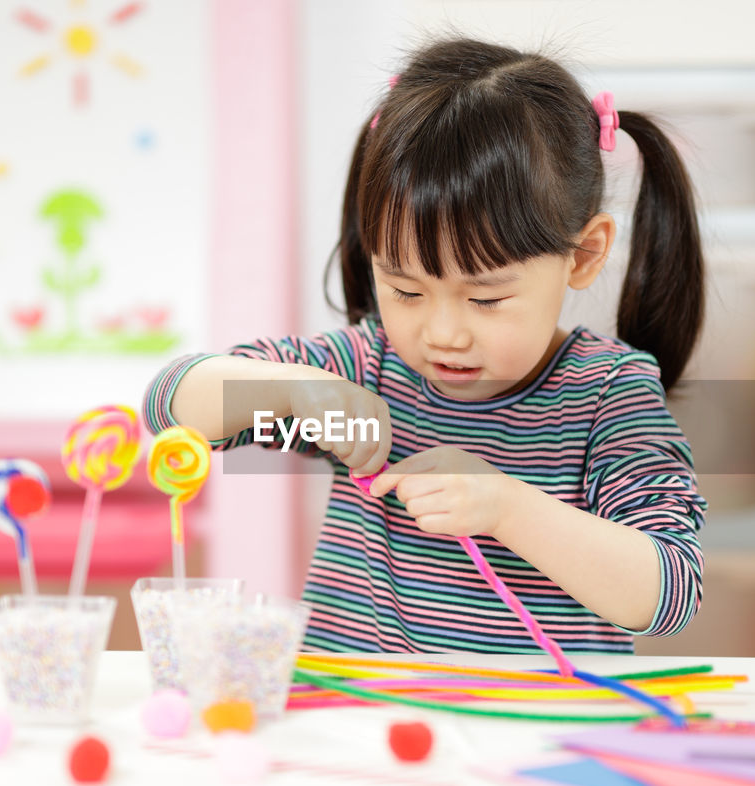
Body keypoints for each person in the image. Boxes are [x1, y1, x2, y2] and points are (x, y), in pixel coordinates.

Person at [143, 37, 706, 654]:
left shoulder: (606, 394)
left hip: (533, 732)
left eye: (486, 298)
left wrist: (507, 508)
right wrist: (294, 391)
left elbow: (669, 593)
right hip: (358, 727)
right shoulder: (365, 370)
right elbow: (171, 406)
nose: (443, 334)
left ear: (586, 252)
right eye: (406, 289)